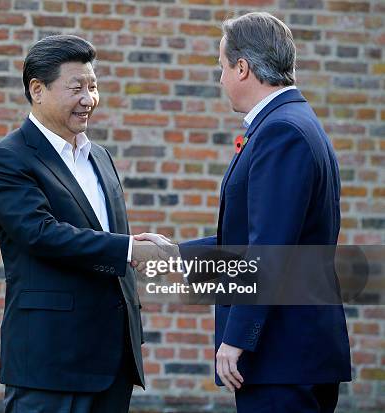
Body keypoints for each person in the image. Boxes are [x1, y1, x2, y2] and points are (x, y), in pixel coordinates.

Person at [139, 11, 351, 413]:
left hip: (283, 356)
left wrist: (237, 338)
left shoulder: (281, 131)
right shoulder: (291, 122)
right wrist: (174, 257)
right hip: (294, 355)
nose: (220, 79)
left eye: (221, 67)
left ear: (242, 67)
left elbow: (269, 249)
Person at [0, 35, 171, 413]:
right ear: (37, 90)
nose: (89, 99)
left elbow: (101, 235)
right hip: (51, 363)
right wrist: (129, 249)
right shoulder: (8, 159)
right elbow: (39, 233)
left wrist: (130, 241)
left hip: (113, 360)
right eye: (77, 88)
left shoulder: (98, 156)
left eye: (94, 86)